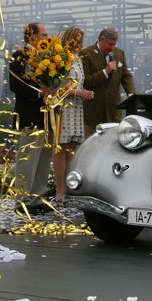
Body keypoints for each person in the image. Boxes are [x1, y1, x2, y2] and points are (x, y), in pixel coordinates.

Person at [8, 22, 58, 213]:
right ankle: (22, 200)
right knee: (27, 159)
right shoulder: (19, 55)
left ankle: (37, 197)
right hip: (29, 114)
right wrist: (40, 93)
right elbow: (15, 84)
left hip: (45, 115)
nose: (46, 38)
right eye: (43, 35)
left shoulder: (47, 57)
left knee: (43, 159)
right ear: (32, 36)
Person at [52, 27, 94, 205]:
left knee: (72, 145)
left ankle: (69, 187)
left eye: (82, 42)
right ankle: (59, 191)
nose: (81, 45)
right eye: (78, 42)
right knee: (60, 147)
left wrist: (85, 92)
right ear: (70, 41)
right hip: (64, 108)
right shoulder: (60, 59)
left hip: (76, 108)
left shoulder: (77, 59)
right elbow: (55, 88)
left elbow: (78, 83)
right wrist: (78, 93)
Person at [81, 27, 136, 138]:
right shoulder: (86, 54)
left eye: (114, 44)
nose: (112, 48)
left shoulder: (119, 53)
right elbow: (86, 82)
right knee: (93, 146)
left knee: (112, 145)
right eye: (109, 44)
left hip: (113, 110)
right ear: (101, 40)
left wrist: (132, 95)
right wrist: (105, 72)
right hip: (94, 112)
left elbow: (126, 76)